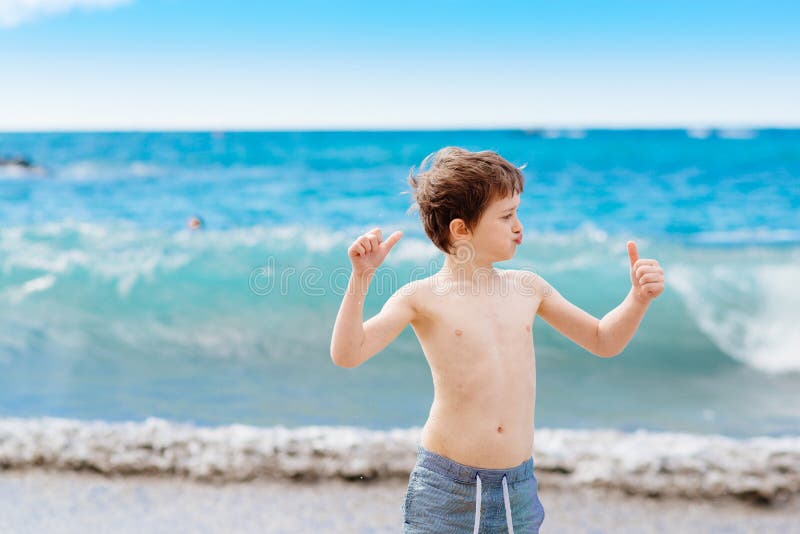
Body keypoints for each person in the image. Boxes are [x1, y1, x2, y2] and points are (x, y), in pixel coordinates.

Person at [329, 147, 665, 533]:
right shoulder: (420, 297)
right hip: (446, 488)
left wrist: (637, 299)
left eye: (517, 213)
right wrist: (361, 277)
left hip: (517, 489)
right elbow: (347, 354)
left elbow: (604, 340)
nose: (519, 226)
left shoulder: (528, 288)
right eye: (506, 216)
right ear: (461, 229)